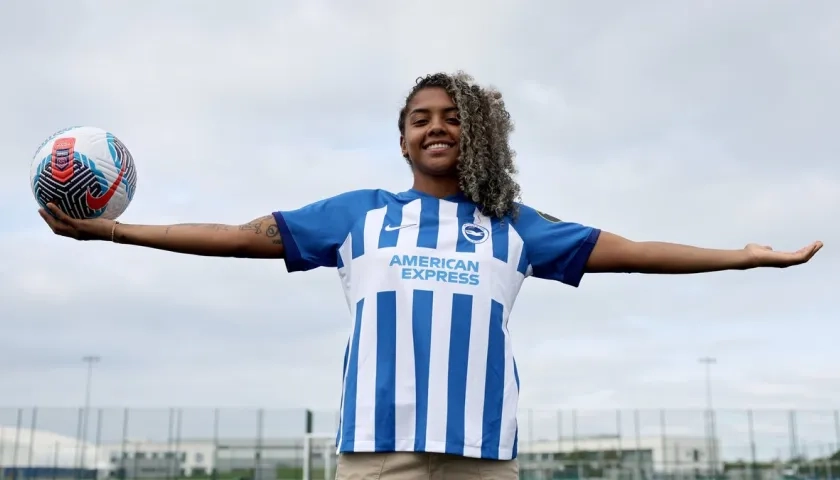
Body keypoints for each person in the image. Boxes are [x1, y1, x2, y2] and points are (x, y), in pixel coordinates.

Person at [40, 71, 822, 480]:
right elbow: (239, 237)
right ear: (404, 142)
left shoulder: (515, 227)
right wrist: (113, 230)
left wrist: (743, 256)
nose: (437, 125)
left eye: (452, 116)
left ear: (474, 134)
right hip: (379, 453)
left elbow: (638, 250)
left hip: (483, 456)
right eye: (422, 117)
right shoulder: (360, 216)